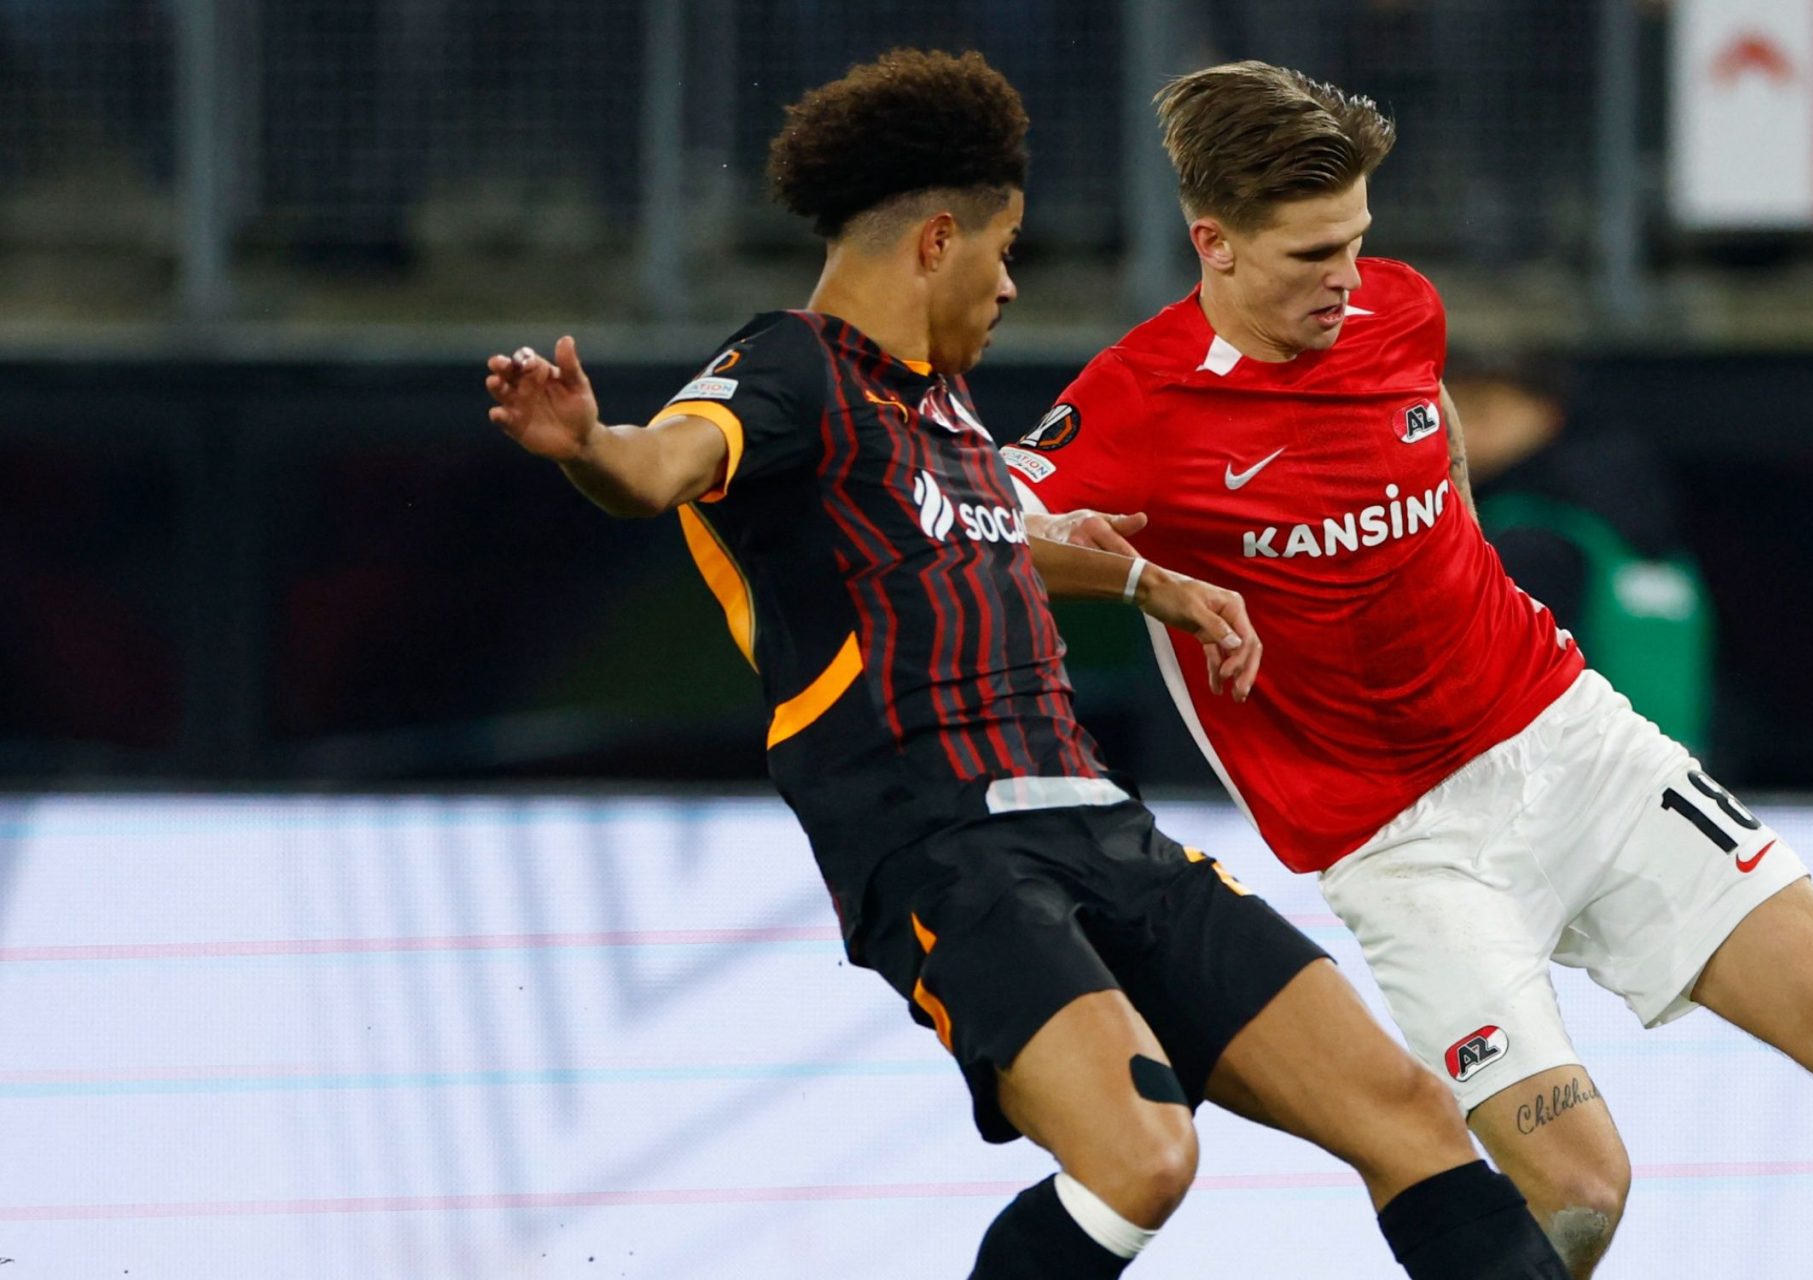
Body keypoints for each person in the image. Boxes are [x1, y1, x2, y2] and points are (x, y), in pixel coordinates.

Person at [484, 50, 1569, 1280]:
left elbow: (980, 546)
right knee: (1141, 1155)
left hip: (1096, 820)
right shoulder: (792, 366)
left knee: (1407, 1113)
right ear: (938, 241)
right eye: (1004, 252)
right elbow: (659, 465)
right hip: (943, 842)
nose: (1010, 285)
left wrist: (1148, 583)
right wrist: (587, 443)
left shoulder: (945, 418)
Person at [1004, 61, 1813, 1280]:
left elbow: (1428, 428)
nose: (1346, 280)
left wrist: (1465, 560)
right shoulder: (1137, 401)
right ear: (1212, 243)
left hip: (1569, 741)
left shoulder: (1398, 309)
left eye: (1356, 240)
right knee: (1579, 1189)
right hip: (1406, 843)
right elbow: (980, 524)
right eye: (1312, 254)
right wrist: (1141, 584)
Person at [1449, 354, 1712, 753]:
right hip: (1672, 770)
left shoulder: (1525, 536)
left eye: (1481, 411)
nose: (1458, 432)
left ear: (1546, 412)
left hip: (1566, 770)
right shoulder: (1640, 522)